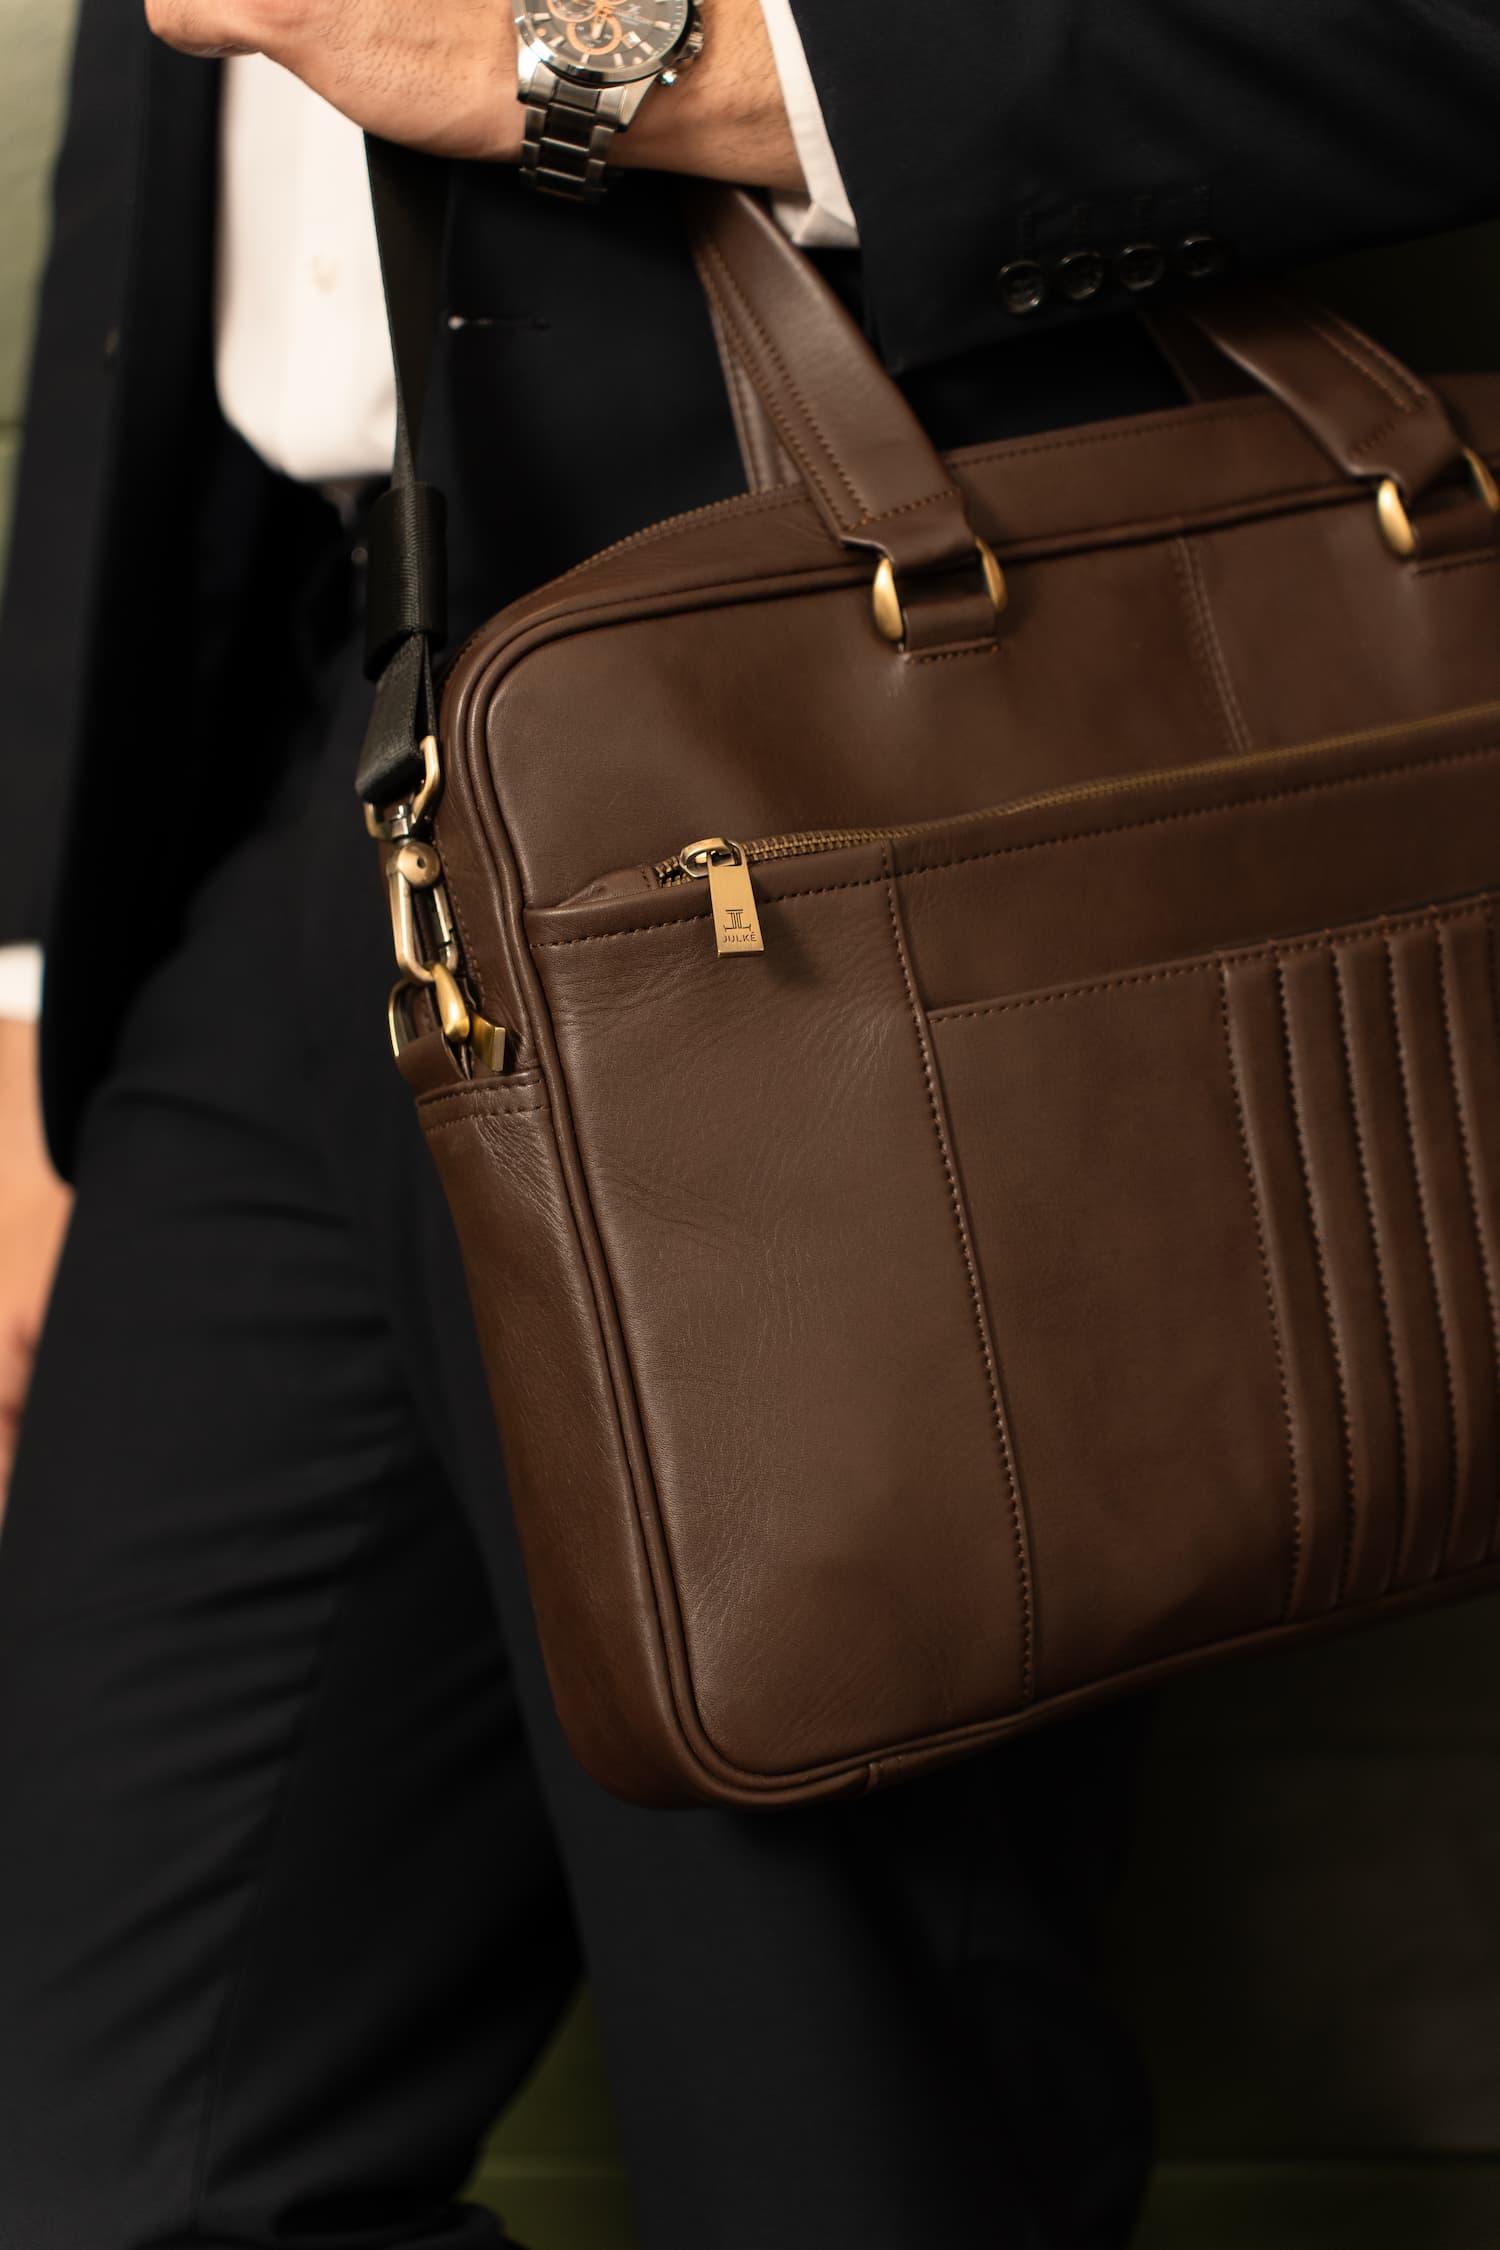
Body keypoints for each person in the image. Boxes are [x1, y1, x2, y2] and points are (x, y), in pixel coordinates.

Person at [1, 5, 1498, 2245]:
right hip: (328, 806)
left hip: (859, 783)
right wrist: (25, 994)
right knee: (104, 2171)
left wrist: (611, 54)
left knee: (843, 2159)